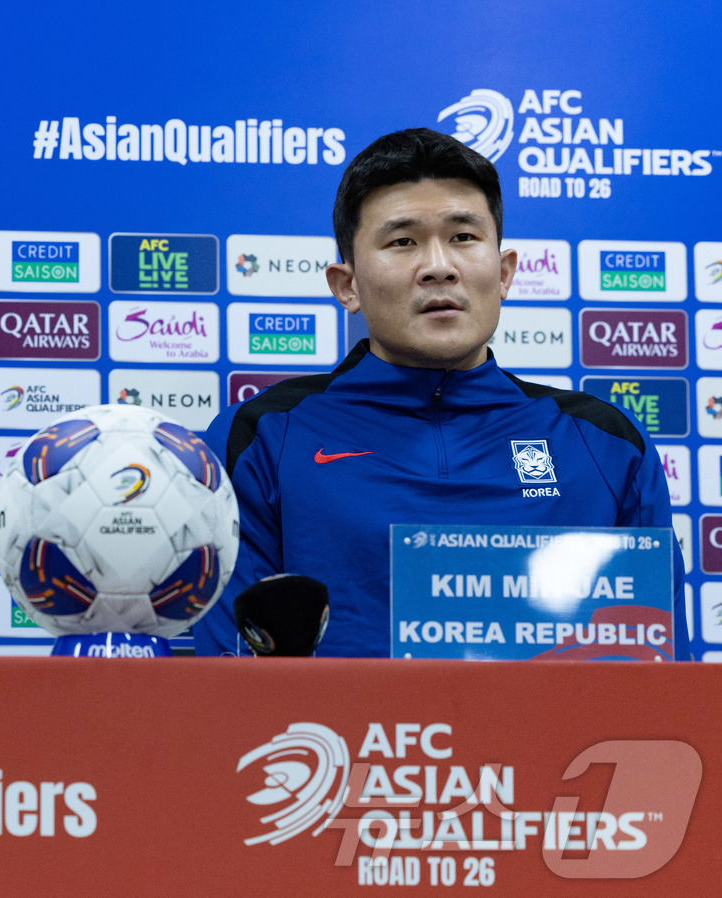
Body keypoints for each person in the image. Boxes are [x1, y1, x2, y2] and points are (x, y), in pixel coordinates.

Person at [195, 128, 688, 659]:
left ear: (503, 273)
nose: (438, 266)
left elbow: (657, 687)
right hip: (336, 745)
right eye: (402, 241)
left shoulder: (606, 444)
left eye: (463, 237)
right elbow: (231, 683)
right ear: (347, 285)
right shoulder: (260, 437)